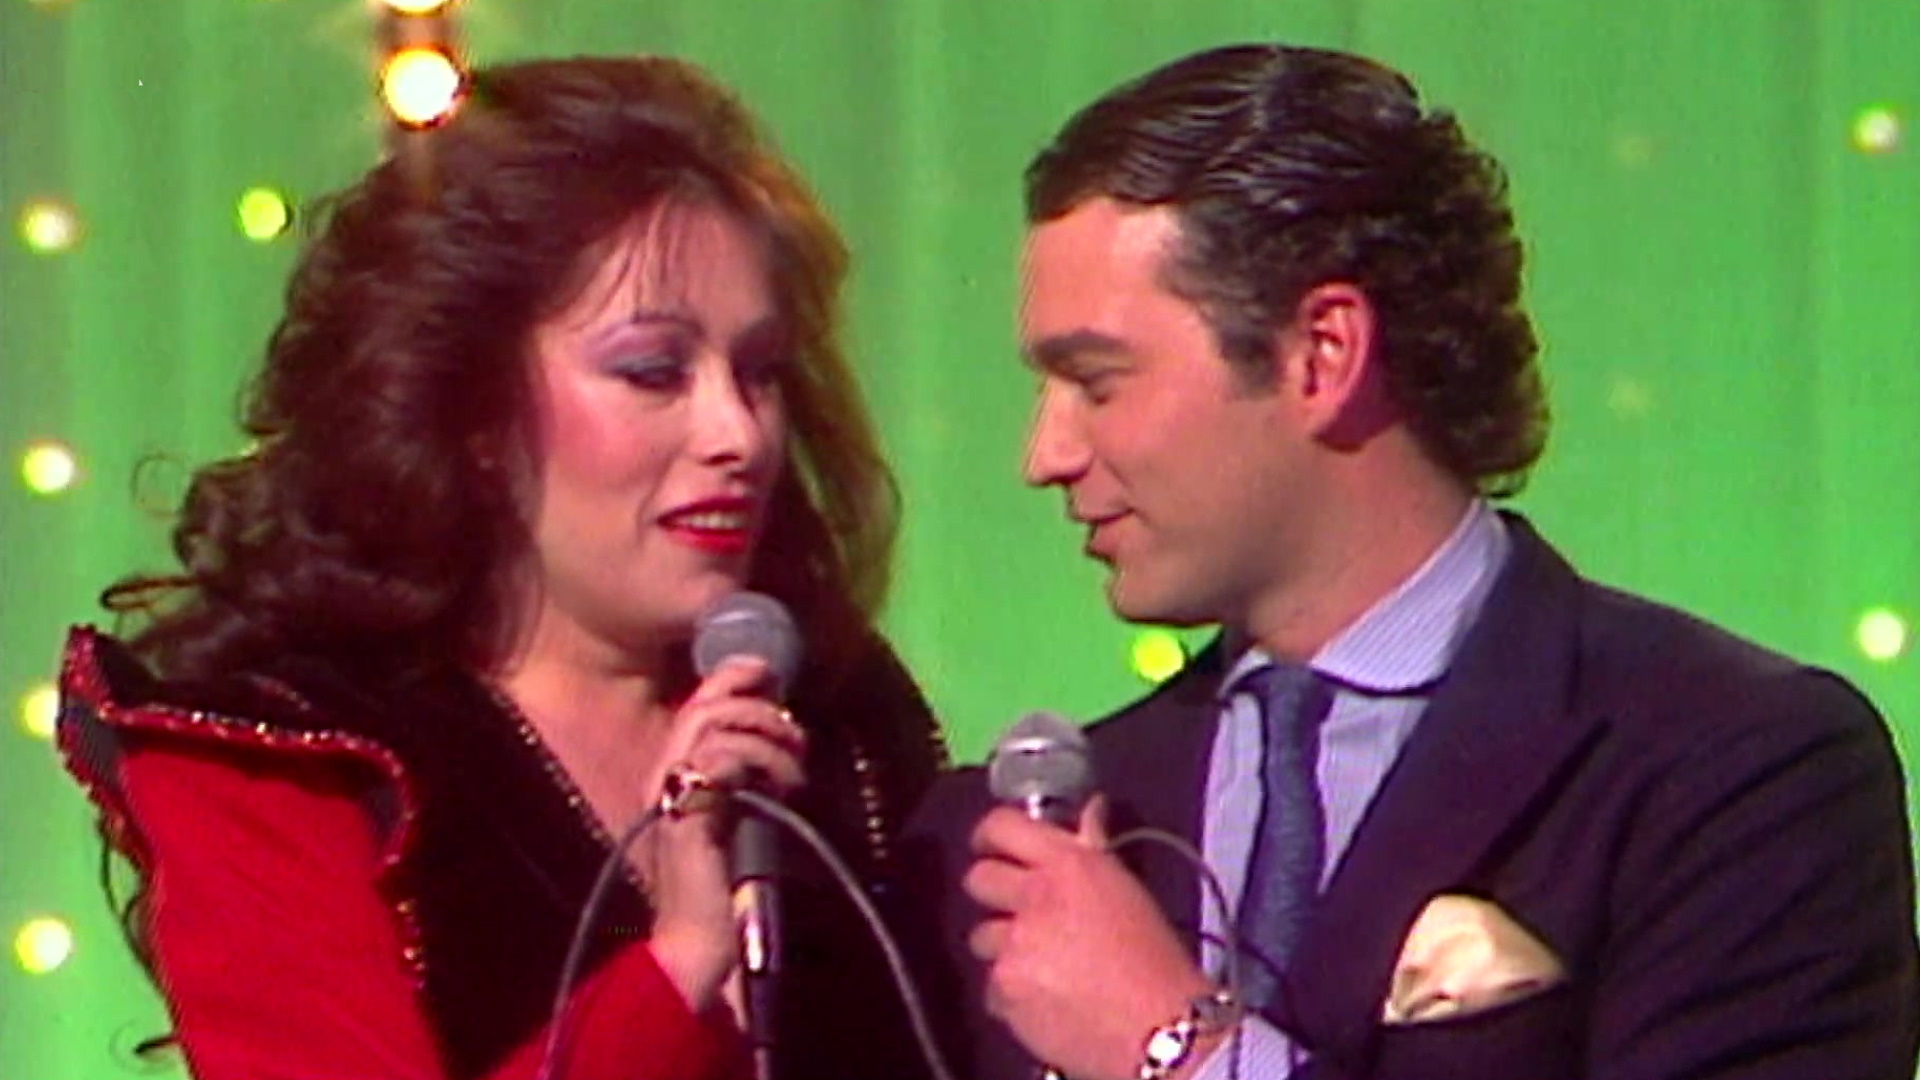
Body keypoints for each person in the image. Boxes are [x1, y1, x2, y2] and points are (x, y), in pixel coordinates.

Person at [902, 43, 1919, 1080]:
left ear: (1322, 354)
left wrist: (1177, 1049)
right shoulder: (1030, 837)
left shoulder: (1737, 773)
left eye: (1097, 382)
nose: (1046, 456)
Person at [57, 55, 946, 1080]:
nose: (737, 434)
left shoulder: (840, 723)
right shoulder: (289, 764)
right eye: (653, 371)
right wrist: (679, 966)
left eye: (758, 372)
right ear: (472, 410)